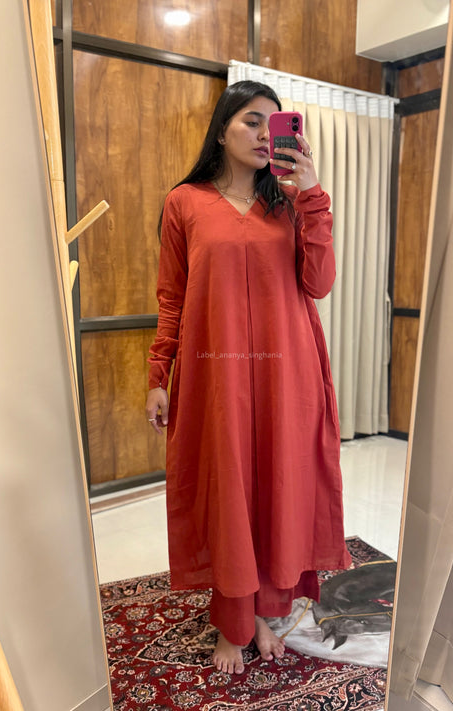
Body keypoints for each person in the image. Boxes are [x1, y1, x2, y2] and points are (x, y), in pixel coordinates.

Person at [145, 80, 351, 675]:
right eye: (251, 121)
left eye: (275, 124)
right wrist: (159, 373)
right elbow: (172, 297)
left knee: (276, 489)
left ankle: (263, 611)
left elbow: (319, 284)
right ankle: (232, 621)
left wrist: (312, 196)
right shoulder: (185, 202)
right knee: (228, 490)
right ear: (221, 130)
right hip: (216, 377)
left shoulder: (289, 204)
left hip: (287, 375)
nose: (265, 135)